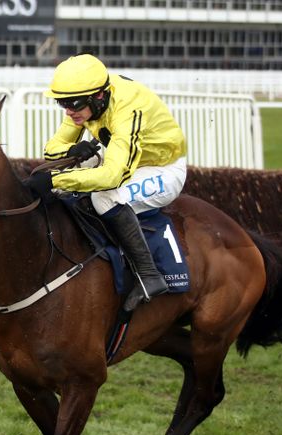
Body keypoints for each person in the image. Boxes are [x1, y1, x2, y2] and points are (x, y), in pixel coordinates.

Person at [30, 53, 188, 311]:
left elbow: (114, 176)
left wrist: (56, 179)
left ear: (99, 96)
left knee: (104, 197)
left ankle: (149, 276)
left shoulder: (128, 108)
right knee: (67, 179)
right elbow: (52, 150)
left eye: (74, 104)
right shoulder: (86, 96)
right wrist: (71, 153)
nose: (69, 111)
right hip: (121, 155)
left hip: (162, 168)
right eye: (62, 103)